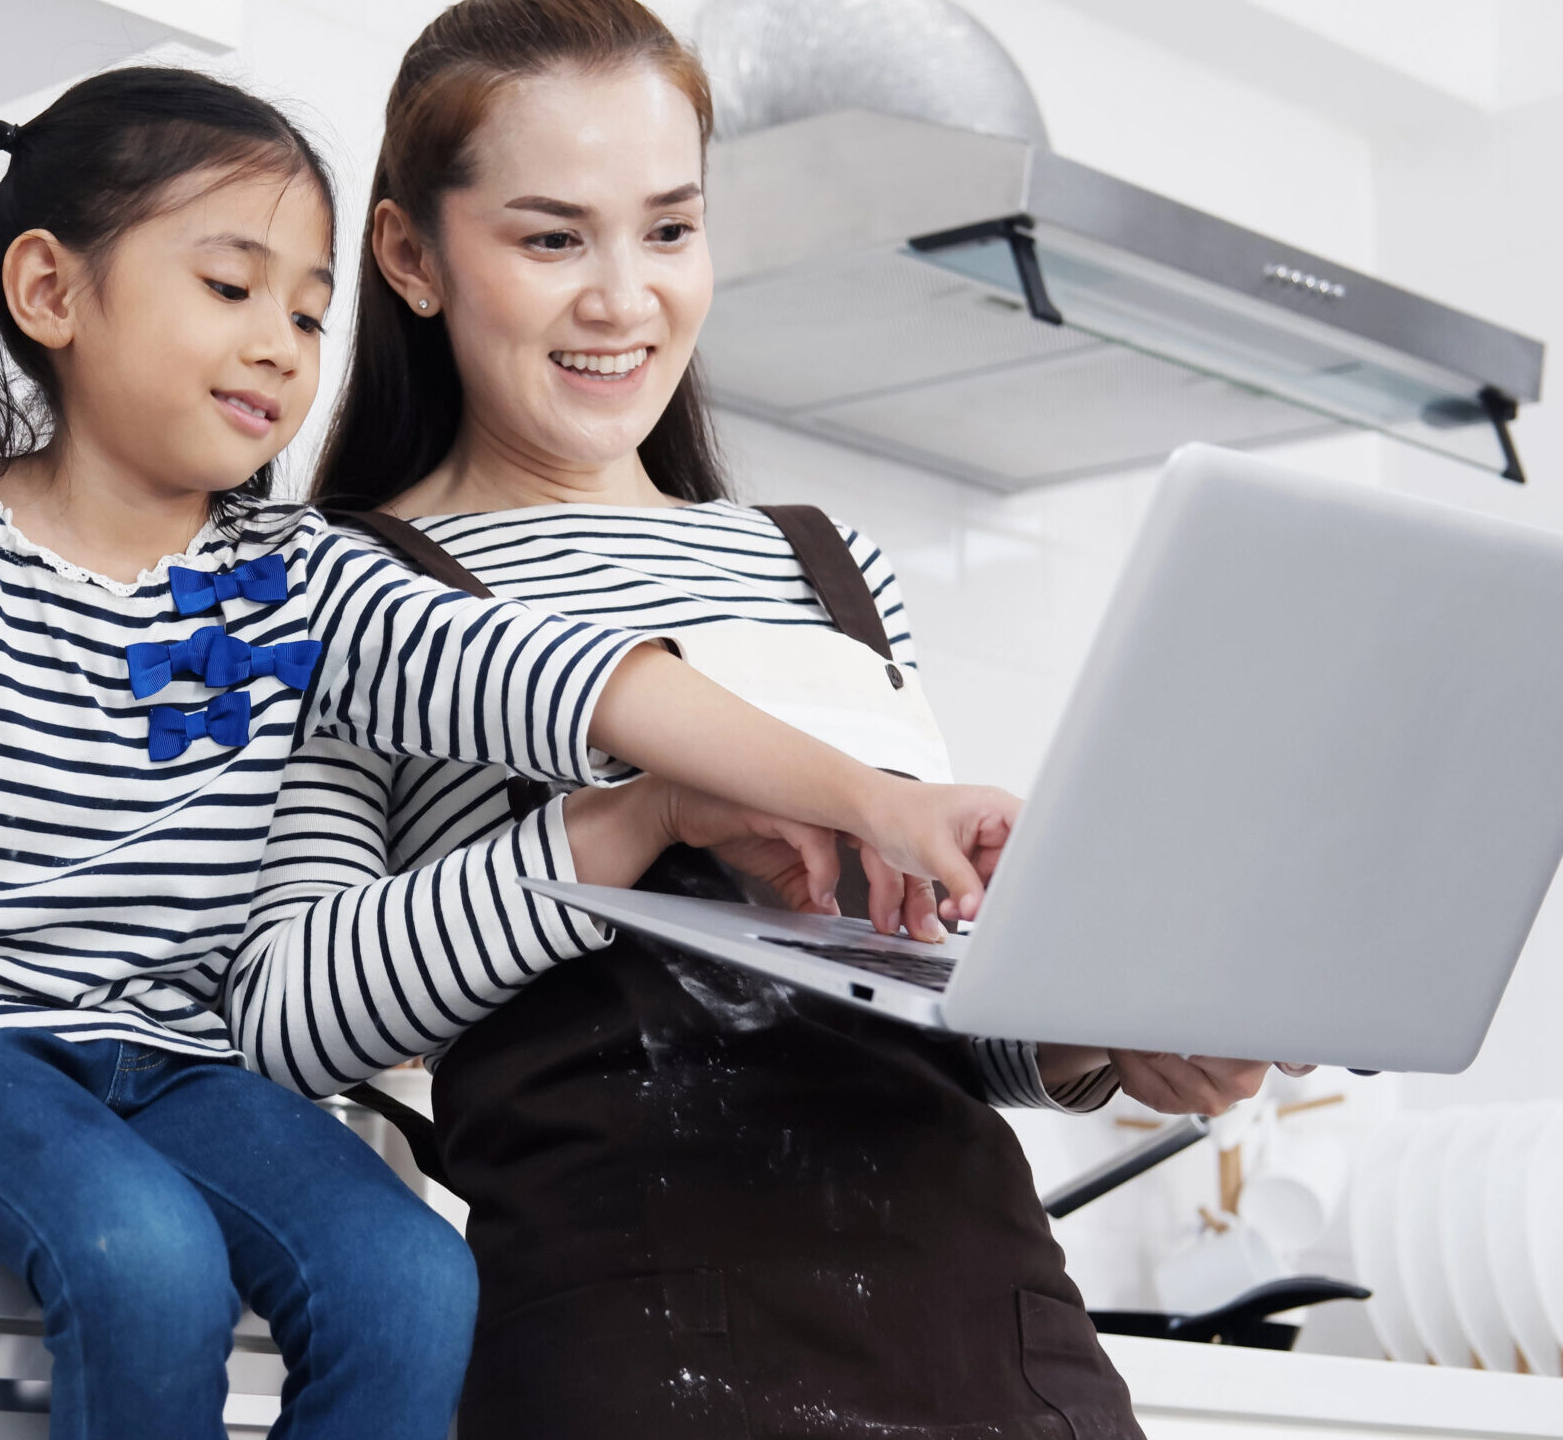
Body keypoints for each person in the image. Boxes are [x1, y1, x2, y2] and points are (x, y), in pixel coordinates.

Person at [0, 65, 1018, 1440]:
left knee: (414, 1288)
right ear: (51, 290)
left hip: (184, 1063)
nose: (281, 345)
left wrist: (870, 800)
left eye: (313, 315)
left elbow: (566, 678)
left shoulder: (298, 577)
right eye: (231, 288)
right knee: (140, 1253)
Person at [231, 4, 1274, 1436]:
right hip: (643, 1341)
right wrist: (631, 822)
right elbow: (290, 1015)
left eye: (669, 231)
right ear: (412, 257)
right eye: (553, 240)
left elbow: (920, 989)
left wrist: (1097, 1043)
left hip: (996, 1340)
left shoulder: (825, 562)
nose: (623, 298)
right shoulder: (349, 585)